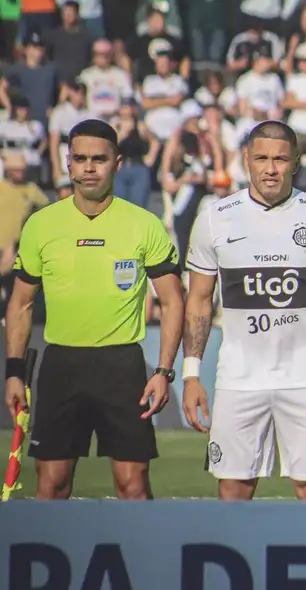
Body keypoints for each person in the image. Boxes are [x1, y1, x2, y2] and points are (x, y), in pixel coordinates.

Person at [181, 121, 306, 502]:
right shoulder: (215, 217)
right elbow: (198, 299)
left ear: (295, 162)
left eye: (280, 159)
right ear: (246, 159)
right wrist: (191, 374)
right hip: (239, 379)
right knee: (233, 492)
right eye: (261, 158)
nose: (270, 169)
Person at [3, 119, 184, 500]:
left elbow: (172, 301)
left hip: (122, 367)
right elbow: (20, 302)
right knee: (52, 484)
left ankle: (140, 544)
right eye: (81, 158)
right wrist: (14, 373)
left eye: (99, 159)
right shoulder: (41, 225)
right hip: (61, 365)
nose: (89, 167)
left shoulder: (144, 224)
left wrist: (164, 371)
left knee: (133, 486)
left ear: (117, 164)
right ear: (68, 163)